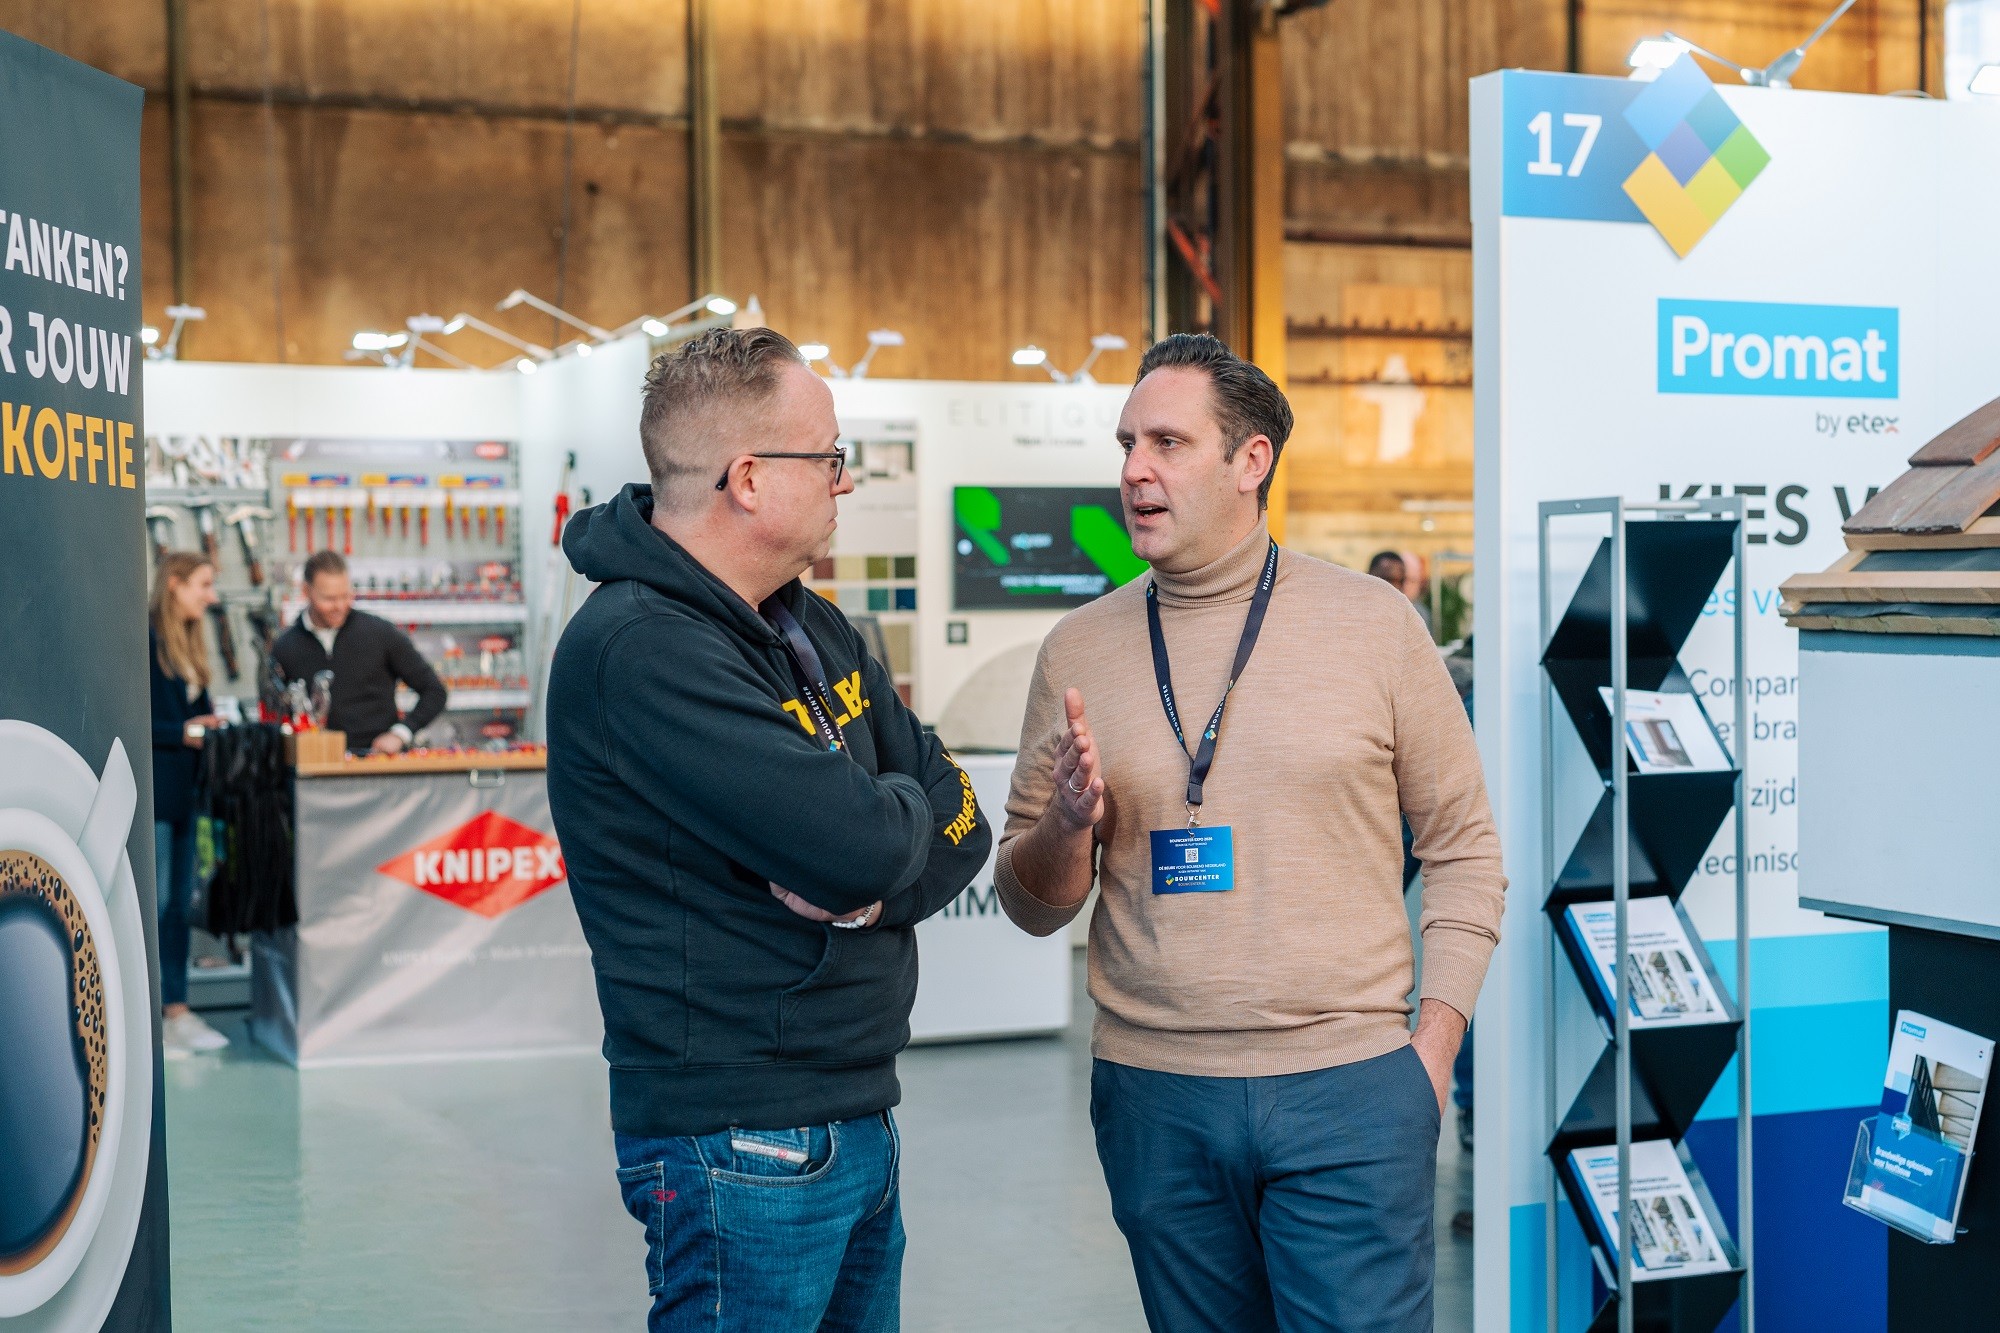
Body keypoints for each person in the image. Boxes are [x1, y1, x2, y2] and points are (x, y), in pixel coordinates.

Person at [995, 333, 1506, 1333]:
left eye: (1167, 443)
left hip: (1350, 1090)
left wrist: (1431, 1049)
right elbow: (1029, 903)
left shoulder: (1375, 626)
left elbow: (1463, 848)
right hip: (1155, 1097)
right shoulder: (1078, 648)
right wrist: (1064, 825)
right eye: (1127, 444)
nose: (1134, 470)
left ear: (1250, 460)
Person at [545, 326, 991, 1333]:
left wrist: (870, 882)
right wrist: (889, 820)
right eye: (829, 457)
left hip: (856, 1108)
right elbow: (863, 841)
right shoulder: (640, 649)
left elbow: (958, 817)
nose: (845, 481)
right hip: (739, 1137)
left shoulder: (808, 624)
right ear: (748, 478)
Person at [148, 551, 230, 1057]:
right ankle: (149, 1019)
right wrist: (184, 731)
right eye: (203, 585)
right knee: (155, 906)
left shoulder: (189, 648)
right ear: (174, 584)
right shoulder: (144, 643)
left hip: (186, 796)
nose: (211, 597)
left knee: (179, 906)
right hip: (157, 797)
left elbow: (195, 716)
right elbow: (133, 720)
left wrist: (206, 725)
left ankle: (176, 1010)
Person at [269, 550, 448, 754]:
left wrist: (400, 733)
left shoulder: (380, 633)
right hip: (318, 763)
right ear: (306, 591)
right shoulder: (285, 647)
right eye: (329, 599)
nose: (340, 606)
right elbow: (277, 714)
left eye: (346, 596)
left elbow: (434, 691)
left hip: (378, 761)